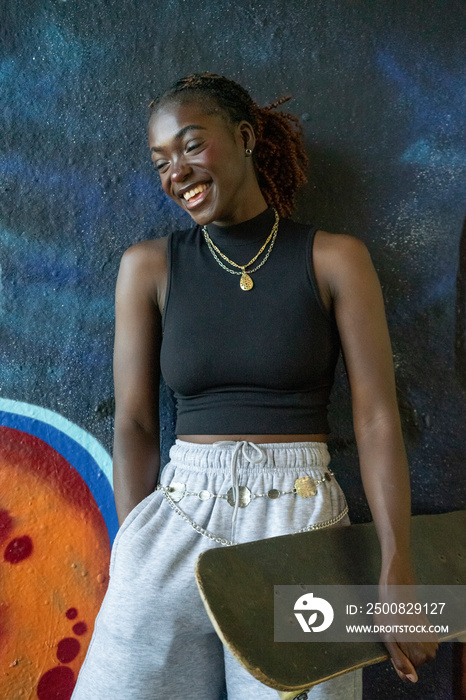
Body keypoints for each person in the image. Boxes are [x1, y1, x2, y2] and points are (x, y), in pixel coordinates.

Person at [71, 73, 438, 700]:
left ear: (243, 137)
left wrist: (395, 562)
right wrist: (130, 553)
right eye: (161, 161)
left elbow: (377, 419)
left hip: (299, 523)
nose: (176, 172)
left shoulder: (335, 259)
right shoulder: (148, 267)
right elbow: (132, 424)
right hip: (176, 515)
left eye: (191, 145)